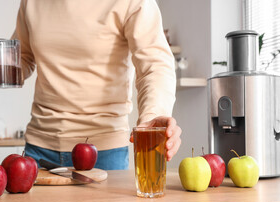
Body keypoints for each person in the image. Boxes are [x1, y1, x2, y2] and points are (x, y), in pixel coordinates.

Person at [12, 0, 182, 170]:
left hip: (103, 150)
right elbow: (22, 56)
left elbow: (155, 65)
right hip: (40, 146)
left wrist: (152, 115)